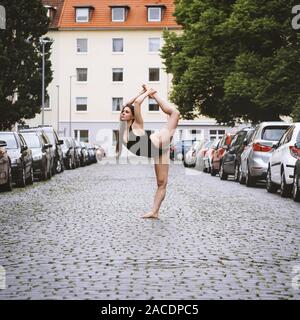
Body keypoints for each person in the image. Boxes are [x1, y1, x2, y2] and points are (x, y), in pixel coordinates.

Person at [116, 84, 180, 219]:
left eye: (127, 112)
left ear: (133, 116)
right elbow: (129, 103)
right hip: (158, 152)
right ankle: (154, 212)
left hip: (161, 141)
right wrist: (141, 91)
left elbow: (137, 103)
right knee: (161, 183)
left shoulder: (136, 124)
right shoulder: (123, 128)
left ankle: (155, 94)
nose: (123, 113)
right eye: (123, 112)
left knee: (175, 113)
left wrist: (150, 93)